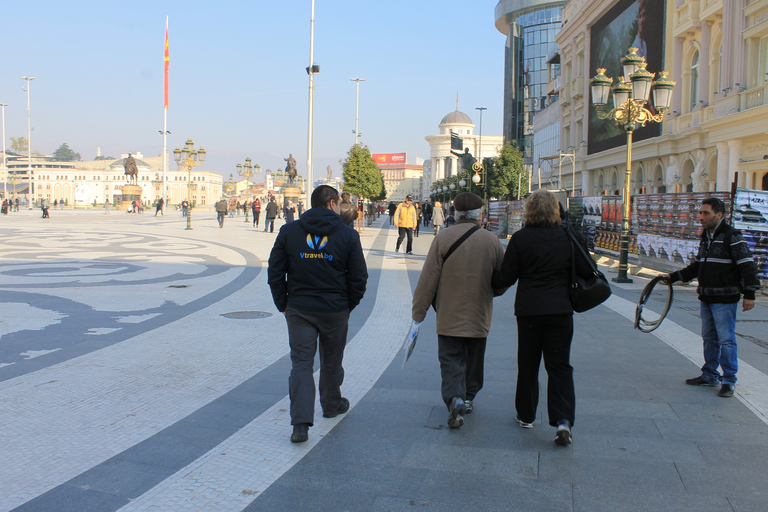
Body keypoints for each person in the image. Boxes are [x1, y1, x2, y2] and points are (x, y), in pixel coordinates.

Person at [268, 184, 368, 443]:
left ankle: (300, 424)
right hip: (334, 309)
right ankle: (331, 404)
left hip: (300, 309)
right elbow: (358, 277)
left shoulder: (289, 231)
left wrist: (284, 304)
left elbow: (275, 272)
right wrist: (348, 304)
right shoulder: (347, 234)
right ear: (333, 203)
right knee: (332, 360)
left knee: (301, 363)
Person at [412, 193, 506, 429]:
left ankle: (454, 397)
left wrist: (418, 312)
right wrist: (491, 292)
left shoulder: (443, 239)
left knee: (450, 357)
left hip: (449, 312)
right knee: (474, 357)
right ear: (479, 215)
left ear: (456, 213)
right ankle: (468, 396)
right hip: (479, 312)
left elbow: (428, 280)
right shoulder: (491, 240)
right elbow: (503, 278)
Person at [492, 189, 576, 446]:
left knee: (528, 364)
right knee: (560, 365)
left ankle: (526, 415)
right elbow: (583, 269)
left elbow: (506, 277)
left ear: (528, 211)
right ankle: (562, 421)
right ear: (556, 210)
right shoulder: (567, 237)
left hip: (529, 310)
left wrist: (488, 278)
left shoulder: (521, 238)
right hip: (561, 309)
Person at [664, 197, 760, 397]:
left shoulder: (732, 236)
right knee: (709, 339)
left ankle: (729, 380)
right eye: (700, 213)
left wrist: (749, 294)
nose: (700, 217)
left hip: (725, 299)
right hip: (706, 297)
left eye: (705, 213)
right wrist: (673, 277)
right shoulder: (706, 237)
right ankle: (709, 375)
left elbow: (747, 265)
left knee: (726, 340)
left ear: (719, 215)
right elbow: (698, 266)